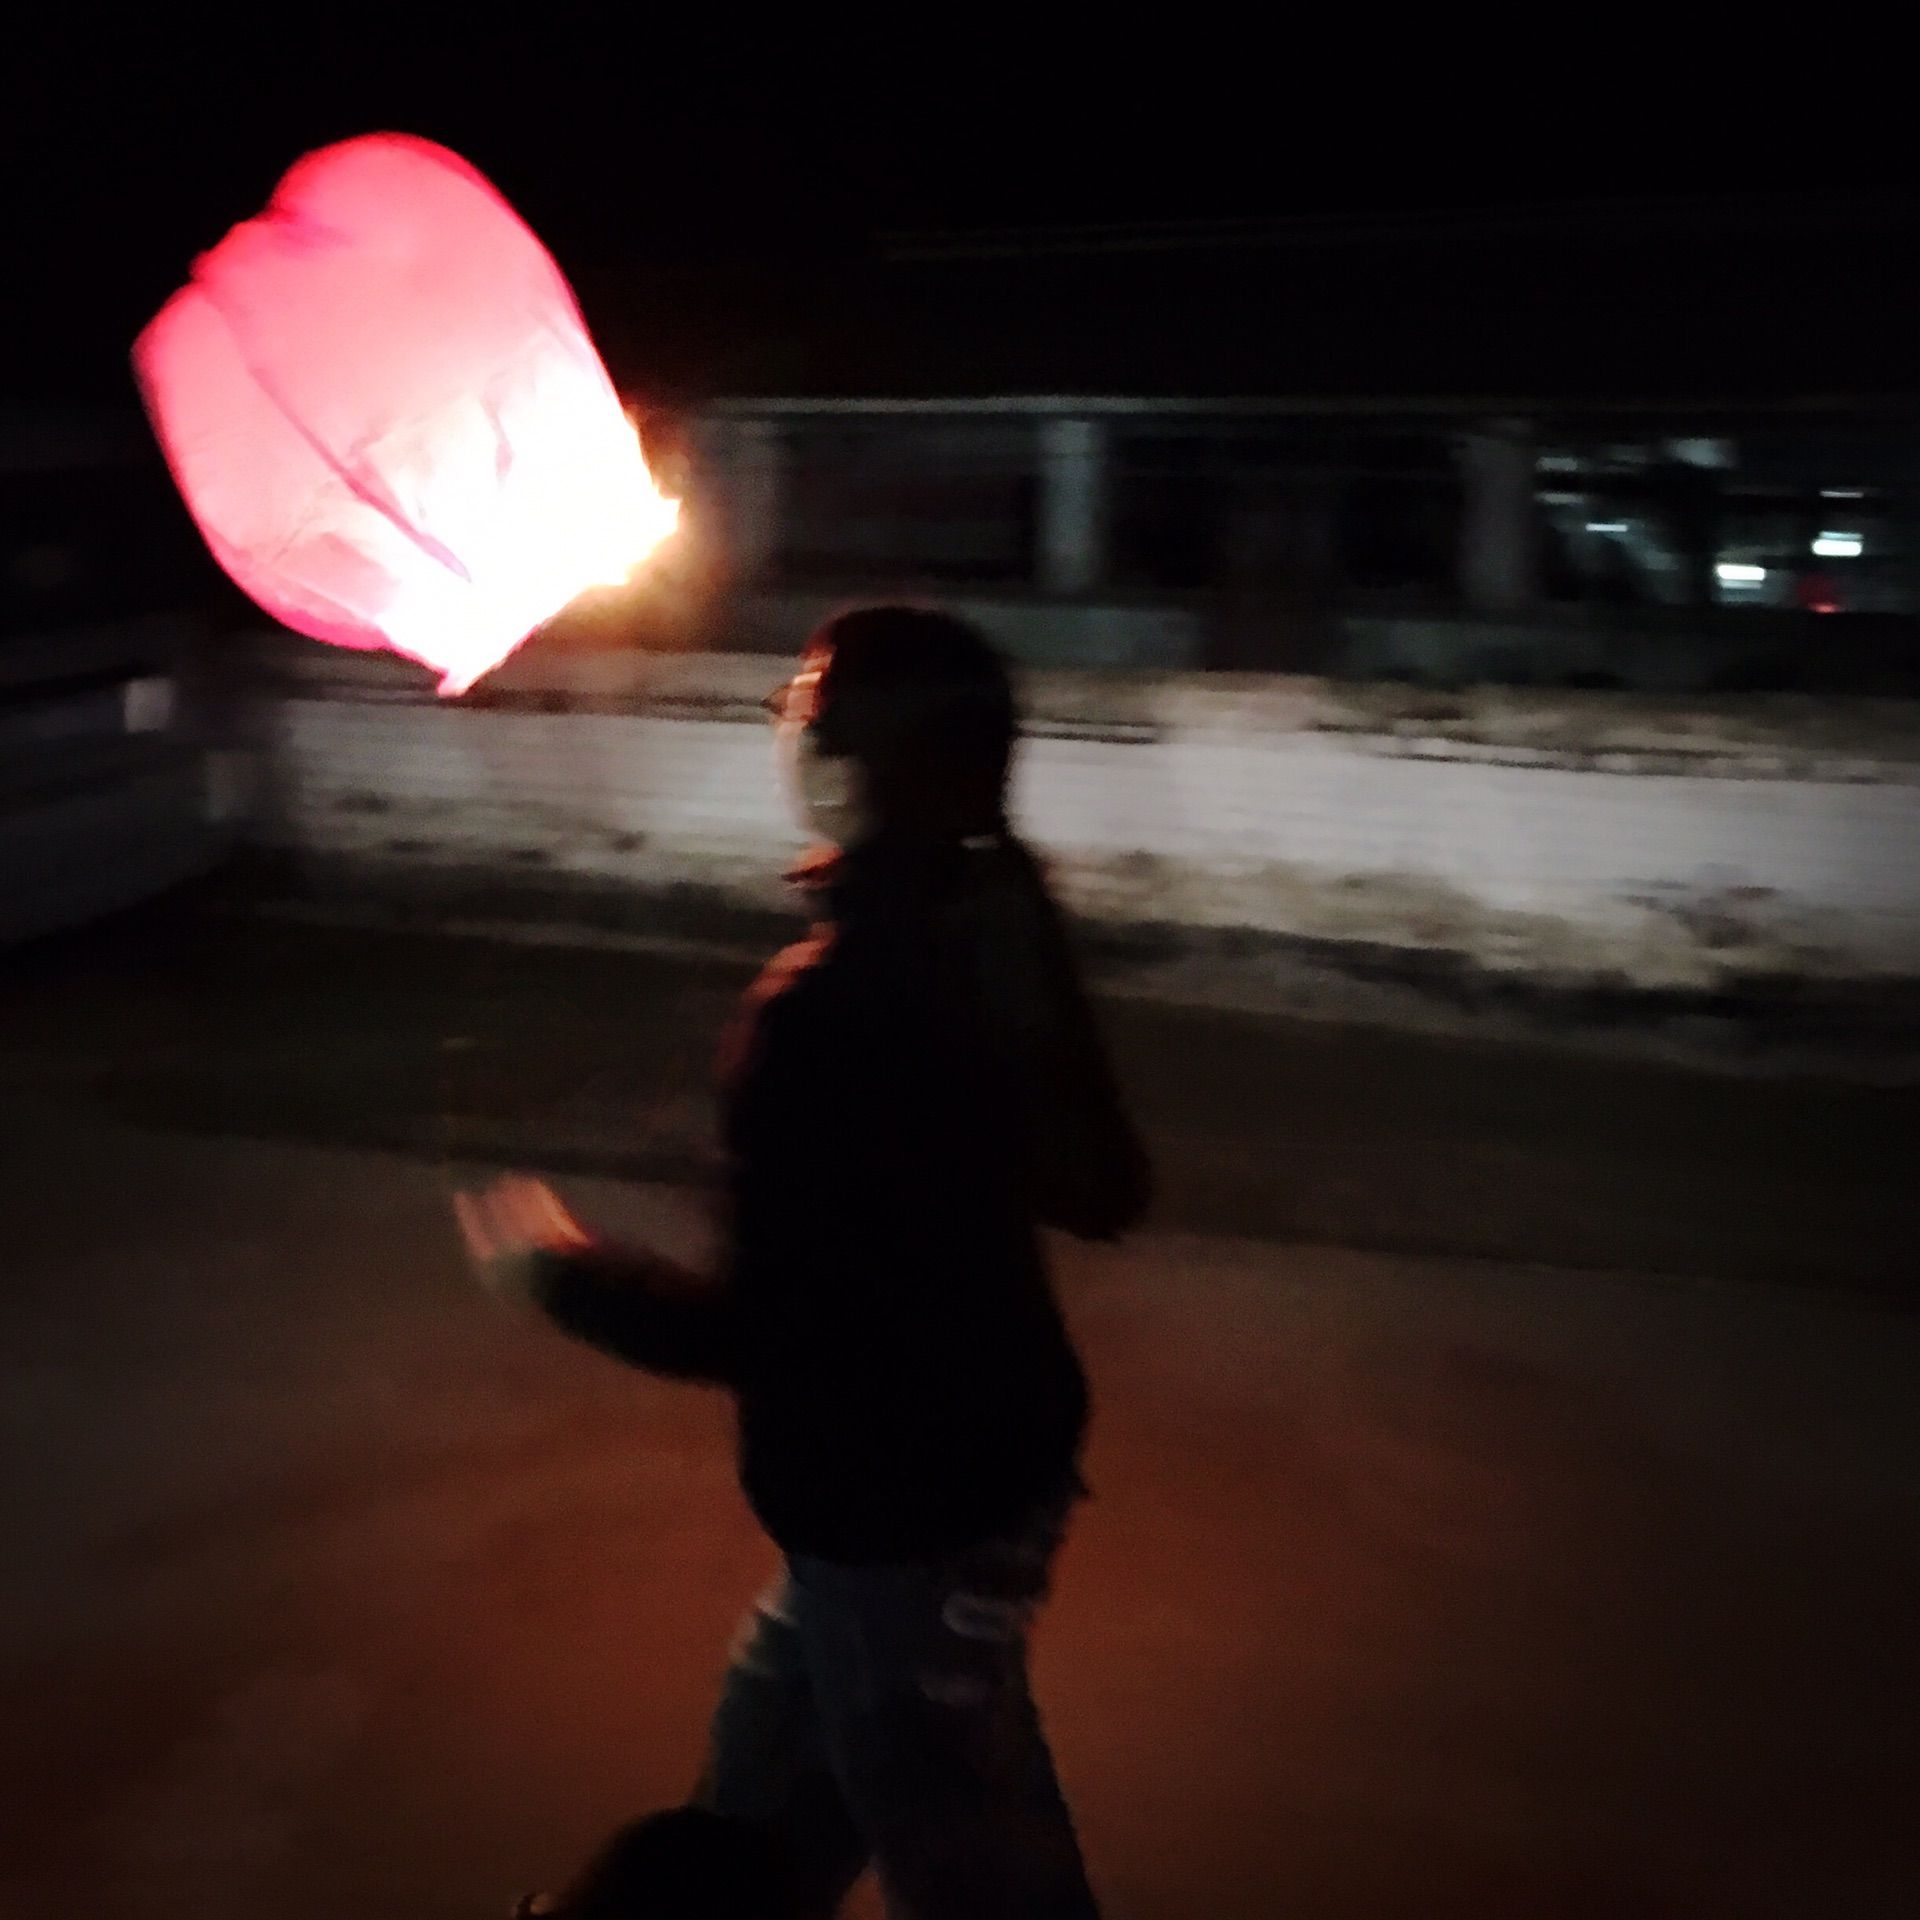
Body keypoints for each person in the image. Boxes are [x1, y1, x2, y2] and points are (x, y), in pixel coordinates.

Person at [458, 607, 1150, 1919]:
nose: (786, 716)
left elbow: (770, 1329)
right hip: (974, 1473)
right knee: (771, 1788)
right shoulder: (992, 909)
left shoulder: (825, 1013)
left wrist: (561, 1278)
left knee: (965, 1849)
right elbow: (1107, 1190)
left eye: (807, 699)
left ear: (854, 767)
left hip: (907, 1510)